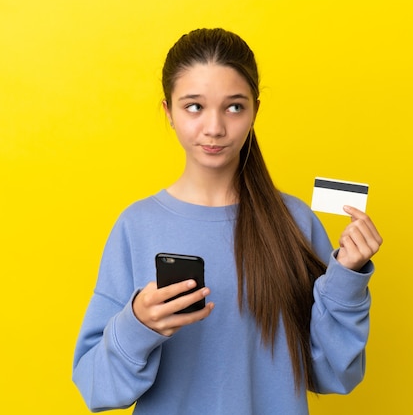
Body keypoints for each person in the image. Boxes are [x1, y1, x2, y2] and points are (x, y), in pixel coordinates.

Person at [72, 28, 383, 415]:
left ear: (255, 110)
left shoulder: (294, 221)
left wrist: (347, 278)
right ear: (168, 112)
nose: (215, 128)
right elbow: (96, 388)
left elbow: (333, 375)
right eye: (194, 107)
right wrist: (138, 324)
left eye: (234, 107)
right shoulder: (136, 227)